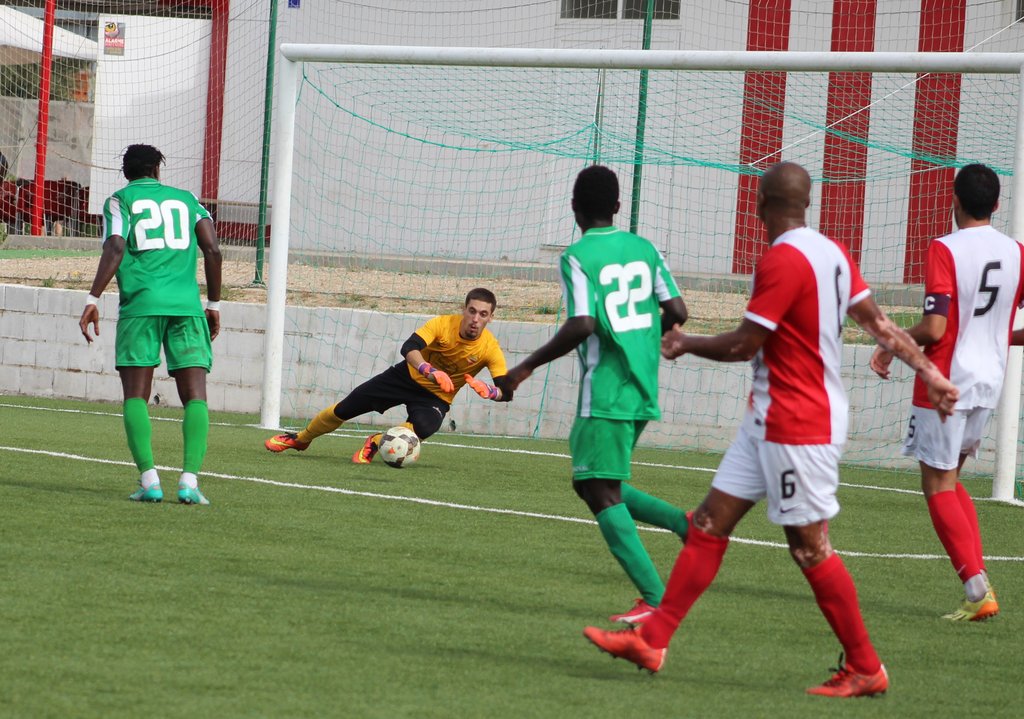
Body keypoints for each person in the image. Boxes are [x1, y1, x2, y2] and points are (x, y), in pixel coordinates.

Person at [582, 162, 959, 698]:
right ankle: (652, 640)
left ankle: (865, 666)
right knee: (709, 523)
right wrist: (931, 373)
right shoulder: (832, 251)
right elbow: (879, 324)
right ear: (807, 202)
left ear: (759, 204)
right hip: (769, 418)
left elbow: (744, 345)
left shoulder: (782, 259)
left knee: (809, 547)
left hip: (798, 423)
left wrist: (685, 343)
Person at [502, 165, 691, 626]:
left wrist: (525, 367)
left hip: (606, 387)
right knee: (595, 482)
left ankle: (655, 599)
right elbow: (677, 309)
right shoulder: (645, 249)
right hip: (643, 384)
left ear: (574, 209)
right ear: (618, 206)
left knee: (598, 488)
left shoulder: (577, 256)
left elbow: (583, 323)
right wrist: (646, 340)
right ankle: (686, 526)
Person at [870, 163, 1023, 622]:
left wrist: (891, 343)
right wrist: (999, 338)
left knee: (936, 484)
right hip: (989, 381)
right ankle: (979, 581)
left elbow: (935, 328)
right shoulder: (1017, 252)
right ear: (997, 205)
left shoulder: (945, 248)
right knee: (951, 480)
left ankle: (976, 589)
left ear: (954, 201)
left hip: (945, 380)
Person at [78, 144, 222, 505]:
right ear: (158, 169)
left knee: (136, 395)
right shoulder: (188, 200)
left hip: (141, 306)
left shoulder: (119, 201)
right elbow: (213, 250)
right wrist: (214, 304)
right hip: (187, 308)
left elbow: (115, 246)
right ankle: (189, 482)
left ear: (126, 173)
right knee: (195, 395)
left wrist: (93, 298)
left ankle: (150, 481)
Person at [265, 288, 512, 461]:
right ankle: (301, 439)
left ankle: (376, 441)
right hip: (405, 377)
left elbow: (507, 391)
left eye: (483, 314)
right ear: (464, 309)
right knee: (345, 408)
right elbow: (409, 347)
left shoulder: (490, 348)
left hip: (436, 397)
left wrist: (492, 392)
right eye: (472, 311)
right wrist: (429, 370)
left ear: (491, 318)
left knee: (425, 427)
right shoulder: (442, 324)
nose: (475, 319)